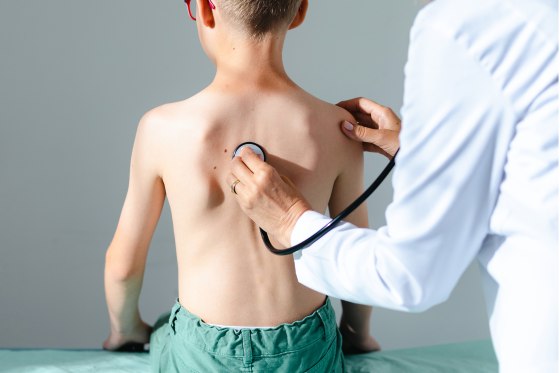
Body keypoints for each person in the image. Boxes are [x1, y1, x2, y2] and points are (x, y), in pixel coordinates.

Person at [228, 0, 559, 372]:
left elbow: (413, 274)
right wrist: (423, 154)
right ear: (301, 10)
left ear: (205, 13)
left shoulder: (469, 26)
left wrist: (292, 223)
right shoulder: (330, 128)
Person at [102, 0, 379, 371]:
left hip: (201, 350)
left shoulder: (162, 128)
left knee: (167, 337)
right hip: (305, 348)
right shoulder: (339, 127)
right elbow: (354, 254)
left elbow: (122, 266)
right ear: (300, 11)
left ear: (203, 9)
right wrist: (357, 334)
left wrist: (127, 331)